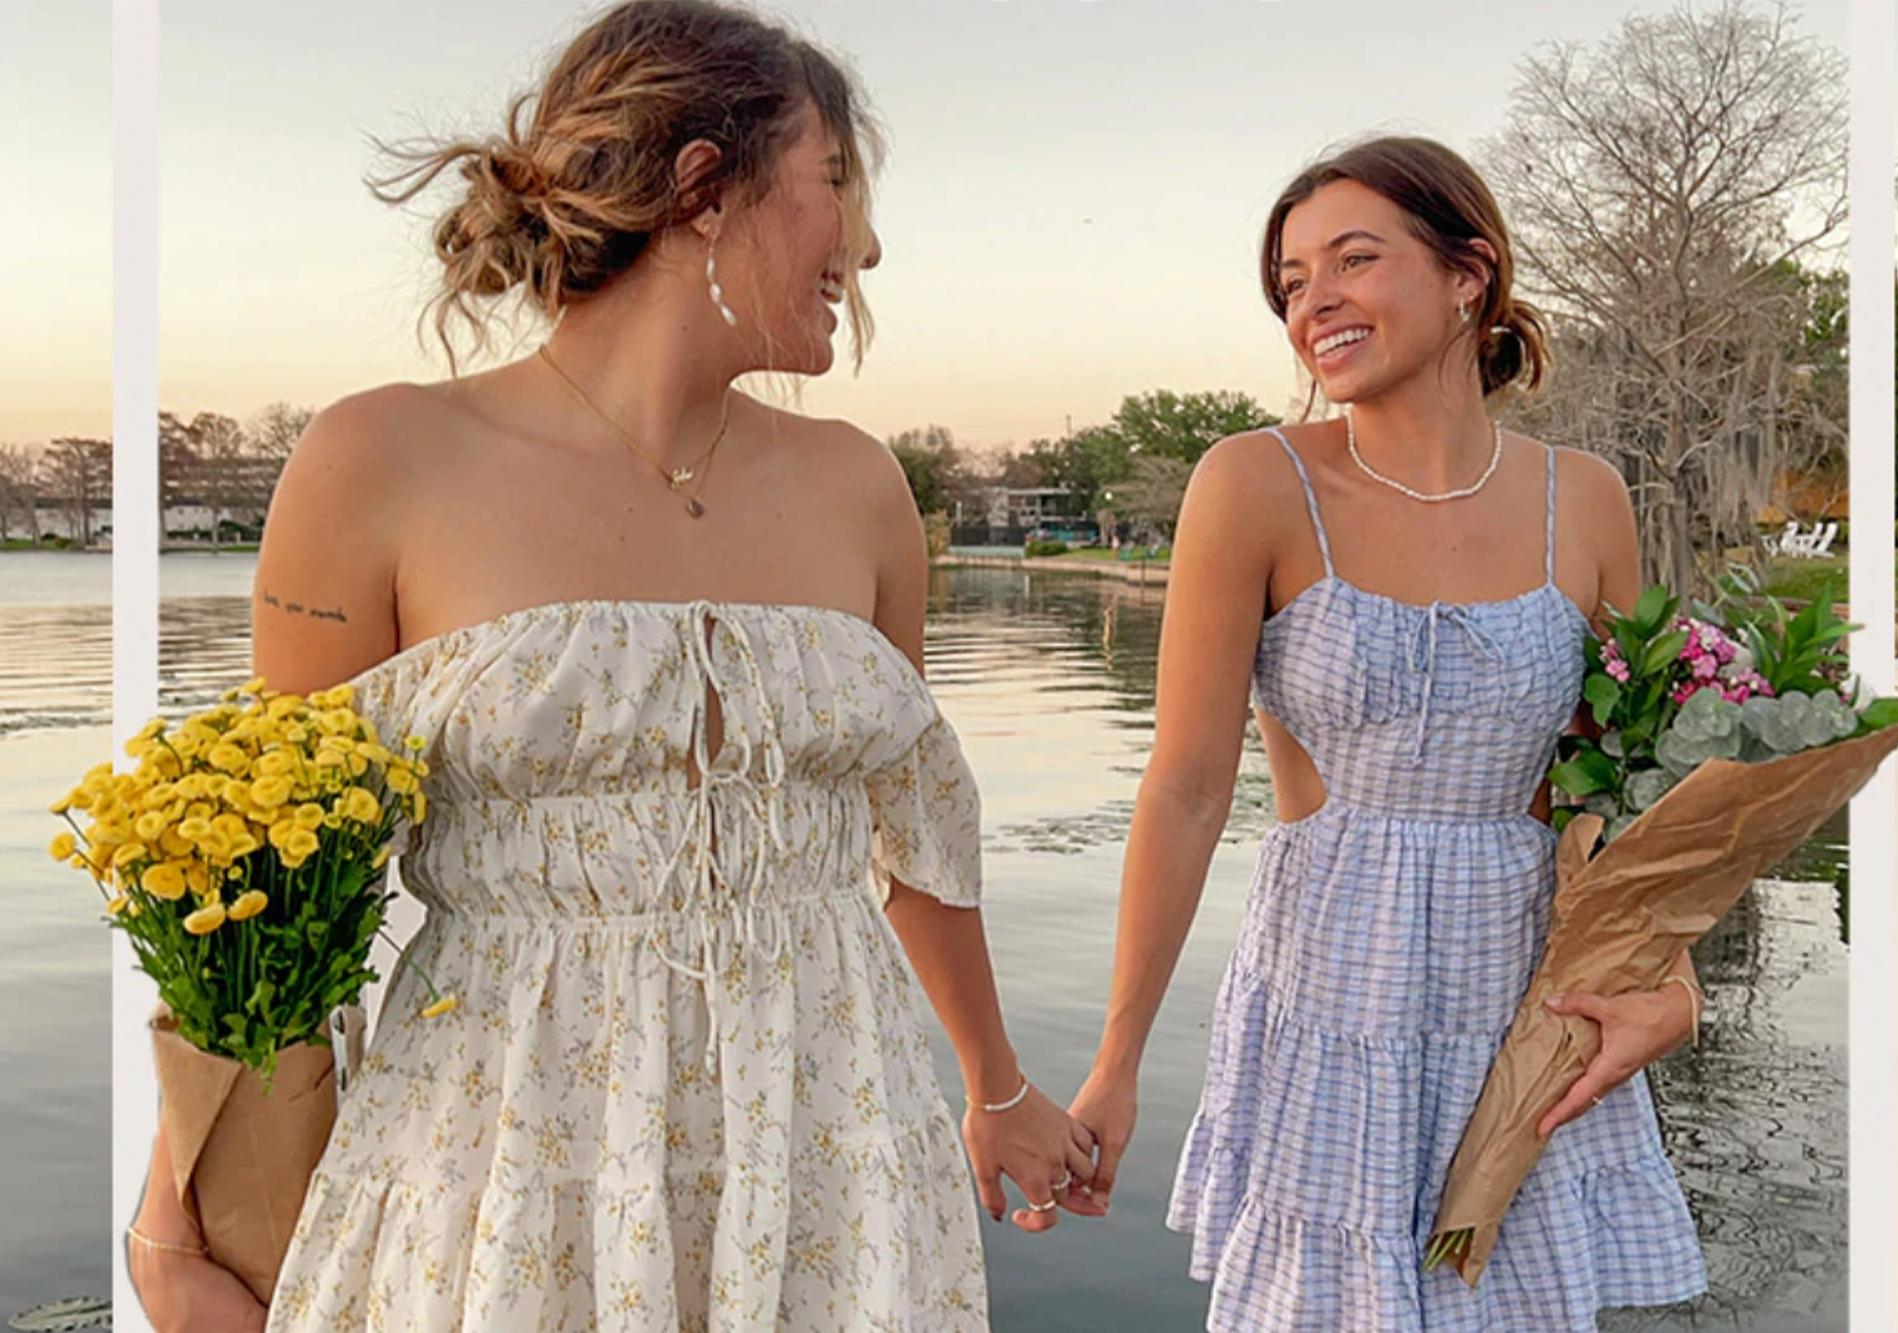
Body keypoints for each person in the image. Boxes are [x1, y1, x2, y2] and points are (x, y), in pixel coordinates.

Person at [124, 5, 1091, 1329]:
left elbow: (912, 832)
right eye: (836, 188)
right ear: (704, 187)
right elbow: (268, 883)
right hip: (508, 1147)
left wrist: (996, 1084)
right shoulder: (379, 462)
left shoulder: (860, 486)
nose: (864, 245)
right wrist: (181, 1205)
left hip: (831, 1129)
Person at [1065, 136, 1710, 1329]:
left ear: (1468, 273)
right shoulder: (1253, 483)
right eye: (1292, 282)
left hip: (1525, 990)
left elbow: (1616, 787)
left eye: (1351, 260)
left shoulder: (1588, 498)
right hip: (1332, 985)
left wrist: (1668, 981)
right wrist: (1115, 1064)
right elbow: (1188, 789)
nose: (1314, 302)